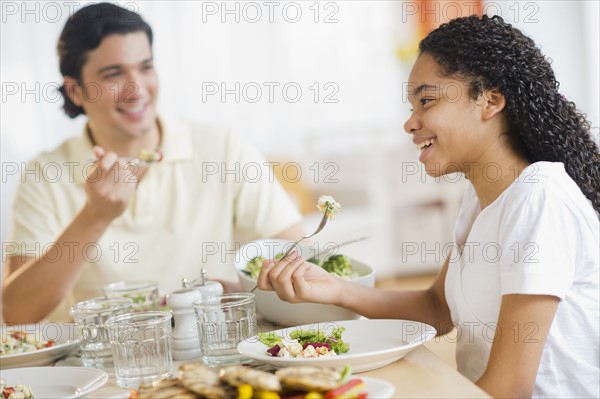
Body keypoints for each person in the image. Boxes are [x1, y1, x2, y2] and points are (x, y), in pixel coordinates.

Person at [257, 15, 600, 398]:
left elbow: (508, 389)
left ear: (490, 100)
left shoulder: (539, 199)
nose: (410, 123)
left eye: (427, 101)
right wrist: (336, 290)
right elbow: (437, 309)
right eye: (411, 106)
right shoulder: (481, 198)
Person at [2, 3, 303, 324]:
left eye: (145, 67)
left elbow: (298, 265)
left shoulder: (222, 148)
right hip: (99, 367)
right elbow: (19, 313)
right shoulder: (45, 174)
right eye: (114, 74)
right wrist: (94, 216)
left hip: (212, 353)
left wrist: (242, 294)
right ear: (75, 91)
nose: (137, 89)